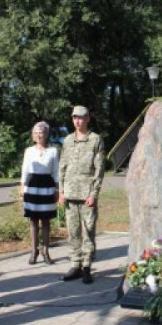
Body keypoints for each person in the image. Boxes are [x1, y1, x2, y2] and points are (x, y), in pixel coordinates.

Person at [58, 106, 105, 284]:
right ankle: (75, 264)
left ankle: (86, 266)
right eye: (74, 118)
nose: (77, 121)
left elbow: (99, 169)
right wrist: (61, 191)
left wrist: (94, 193)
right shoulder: (68, 140)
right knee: (73, 231)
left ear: (88, 119)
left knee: (88, 230)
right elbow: (62, 165)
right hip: (70, 193)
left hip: (86, 194)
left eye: (80, 118)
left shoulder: (95, 140)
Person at [19, 121, 59, 265]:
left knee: (46, 220)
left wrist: (57, 189)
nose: (38, 135)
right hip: (32, 185)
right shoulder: (29, 151)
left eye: (41, 132)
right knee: (33, 220)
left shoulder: (53, 151)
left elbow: (56, 171)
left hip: (47, 185)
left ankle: (45, 250)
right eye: (36, 133)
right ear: (33, 135)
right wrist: (22, 187)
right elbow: (24, 169)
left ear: (46, 134)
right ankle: (33, 251)